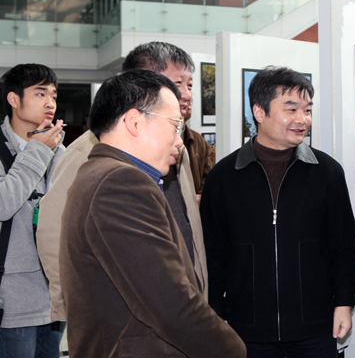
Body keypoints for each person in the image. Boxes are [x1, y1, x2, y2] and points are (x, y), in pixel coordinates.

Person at [59, 70, 245, 357]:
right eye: (175, 125)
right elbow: (170, 302)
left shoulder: (97, 173)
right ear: (134, 121)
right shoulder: (120, 183)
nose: (180, 141)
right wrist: (233, 349)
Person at [37, 41, 207, 322]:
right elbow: (53, 231)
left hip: (179, 303)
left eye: (190, 85)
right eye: (176, 84)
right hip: (123, 316)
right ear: (139, 84)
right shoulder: (88, 150)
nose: (186, 94)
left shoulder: (179, 147)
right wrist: (77, 309)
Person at [201, 66, 355, 358]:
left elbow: (343, 246)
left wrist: (344, 302)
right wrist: (216, 310)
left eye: (307, 110)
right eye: (291, 109)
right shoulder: (224, 176)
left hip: (315, 328)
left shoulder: (327, 172)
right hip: (246, 329)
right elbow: (212, 253)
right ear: (259, 112)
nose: (303, 119)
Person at [0, 64, 65, 357]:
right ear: (14, 99)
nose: (50, 102)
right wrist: (38, 150)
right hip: (13, 301)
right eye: (40, 94)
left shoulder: (60, 150)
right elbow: (4, 205)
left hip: (55, 297)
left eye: (53, 95)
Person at [183, 102, 212, 204]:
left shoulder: (199, 140)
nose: (188, 103)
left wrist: (200, 195)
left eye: (190, 101)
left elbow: (208, 174)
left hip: (194, 208)